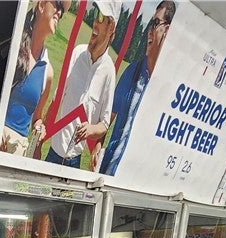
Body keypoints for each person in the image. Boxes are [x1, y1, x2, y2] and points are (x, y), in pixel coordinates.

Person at [100, 1, 176, 175]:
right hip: (109, 172)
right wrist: (97, 148)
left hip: (136, 177)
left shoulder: (169, 85)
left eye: (156, 23)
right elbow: (108, 118)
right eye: (150, 23)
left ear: (167, 31)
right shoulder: (132, 71)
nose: (150, 30)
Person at [42, 0, 120, 169]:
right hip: (52, 155)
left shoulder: (109, 72)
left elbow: (104, 124)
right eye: (95, 14)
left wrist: (91, 129)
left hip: (74, 163)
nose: (95, 22)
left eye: (101, 17)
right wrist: (40, 142)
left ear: (111, 27)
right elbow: (57, 99)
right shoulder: (77, 53)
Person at [1, 0, 65, 155]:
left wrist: (39, 126)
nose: (59, 12)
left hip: (17, 149)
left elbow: (37, 117)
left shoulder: (47, 72)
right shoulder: (13, 43)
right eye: (57, 4)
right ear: (41, 5)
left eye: (62, 11)